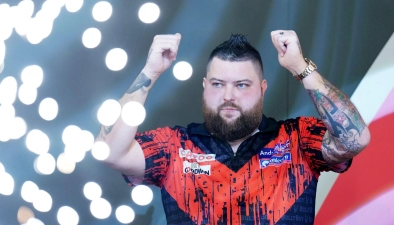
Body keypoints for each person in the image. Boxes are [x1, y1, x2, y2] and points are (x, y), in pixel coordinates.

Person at [97, 30, 371, 225]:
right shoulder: (174, 146)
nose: (228, 96)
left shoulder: (296, 139)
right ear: (205, 88)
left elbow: (355, 139)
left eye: (242, 85)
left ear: (262, 90)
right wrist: (150, 71)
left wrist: (301, 67)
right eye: (218, 84)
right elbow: (110, 152)